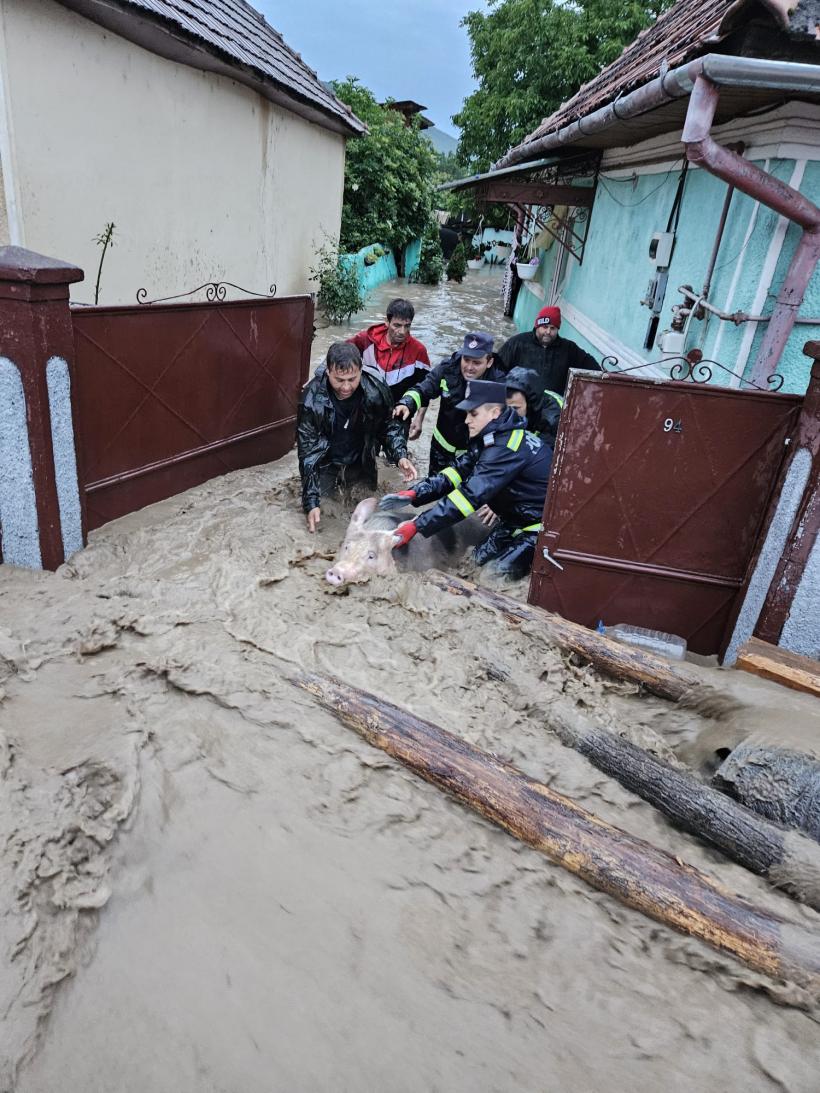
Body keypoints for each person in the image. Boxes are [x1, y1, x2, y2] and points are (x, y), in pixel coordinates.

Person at [381, 379, 553, 580]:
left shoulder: (505, 449)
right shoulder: (492, 438)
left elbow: (468, 498)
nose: (466, 420)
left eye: (473, 414)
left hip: (538, 529)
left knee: (491, 578)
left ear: (495, 412)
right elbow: (455, 473)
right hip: (514, 522)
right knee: (472, 564)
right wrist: (415, 494)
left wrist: (417, 525)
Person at [297, 342, 417, 533]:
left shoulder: (376, 390)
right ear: (328, 372)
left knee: (367, 509)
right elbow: (308, 454)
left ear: (361, 371)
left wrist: (400, 454)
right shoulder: (311, 400)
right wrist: (310, 501)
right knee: (324, 511)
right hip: (327, 460)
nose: (346, 387)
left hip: (360, 458)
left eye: (352, 379)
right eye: (339, 380)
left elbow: (388, 427)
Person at [393, 331, 506, 475]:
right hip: (441, 449)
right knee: (434, 489)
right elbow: (424, 388)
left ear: (489, 362)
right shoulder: (449, 368)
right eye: (466, 360)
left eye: (476, 362)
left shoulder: (498, 384)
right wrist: (406, 403)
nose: (469, 367)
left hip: (474, 456)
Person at [498, 306, 600, 396]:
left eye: (553, 328)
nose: (548, 332)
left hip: (552, 408)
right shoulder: (517, 343)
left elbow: (592, 367)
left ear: (557, 329)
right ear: (537, 326)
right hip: (521, 404)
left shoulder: (569, 348)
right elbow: (498, 369)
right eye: (545, 327)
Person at [348, 298, 431, 405]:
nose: (402, 332)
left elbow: (426, 388)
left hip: (399, 410)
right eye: (397, 325)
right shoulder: (365, 340)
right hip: (367, 406)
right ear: (387, 322)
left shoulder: (419, 351)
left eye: (407, 326)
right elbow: (341, 355)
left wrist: (419, 419)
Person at [505, 367, 562, 447]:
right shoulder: (524, 404)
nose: (509, 413)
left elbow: (544, 453)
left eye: (515, 408)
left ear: (530, 405)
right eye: (506, 407)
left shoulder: (552, 421)